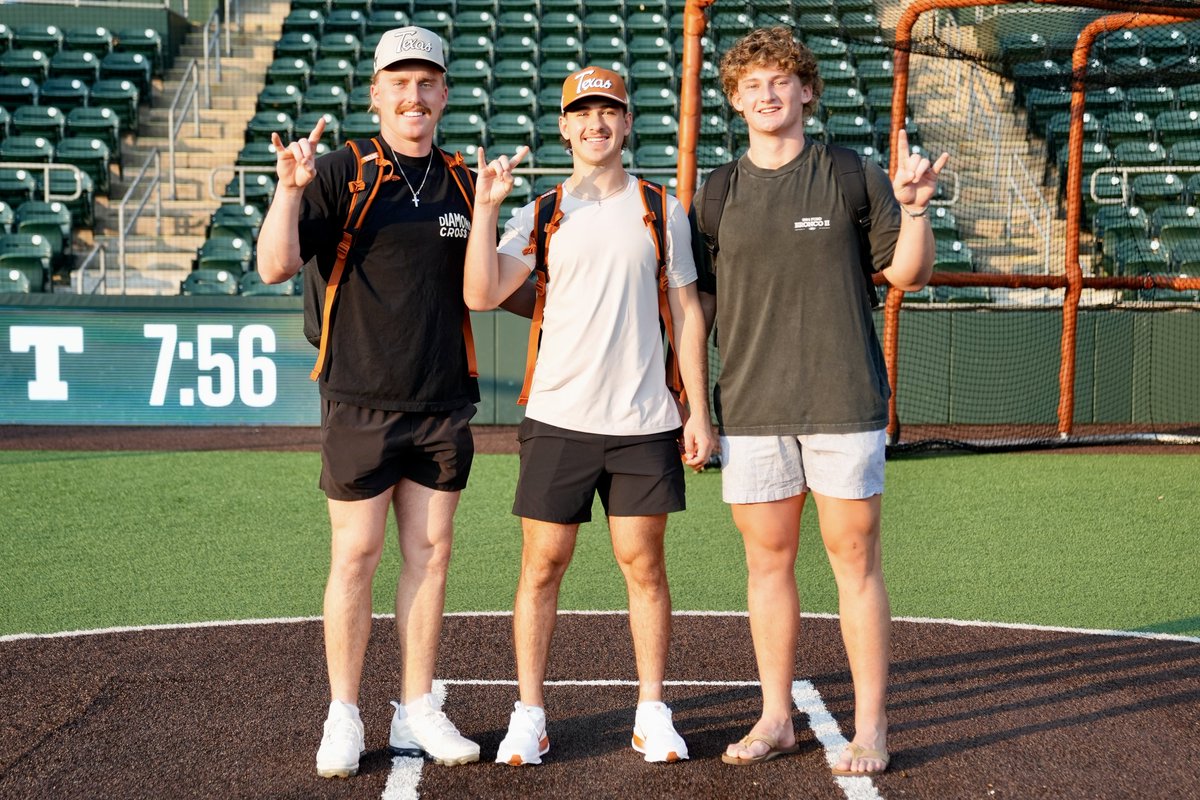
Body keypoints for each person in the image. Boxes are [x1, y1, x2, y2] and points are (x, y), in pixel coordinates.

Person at [256, 26, 527, 778]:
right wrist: (288, 191)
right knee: (356, 555)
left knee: (431, 556)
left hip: (442, 401)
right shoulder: (340, 171)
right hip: (359, 399)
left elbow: (493, 282)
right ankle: (343, 713)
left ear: (444, 92)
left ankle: (417, 705)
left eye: (427, 82)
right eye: (399, 83)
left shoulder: (465, 181)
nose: (414, 96)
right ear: (375, 93)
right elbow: (276, 264)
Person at [694, 27, 949, 775]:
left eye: (781, 80)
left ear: (807, 90)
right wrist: (696, 409)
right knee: (767, 564)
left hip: (843, 400)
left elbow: (909, 277)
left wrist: (918, 210)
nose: (767, 94)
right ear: (735, 101)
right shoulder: (716, 192)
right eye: (751, 85)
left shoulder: (852, 175)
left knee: (855, 561)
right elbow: (696, 310)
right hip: (751, 406)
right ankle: (777, 717)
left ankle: (869, 728)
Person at [462, 65, 714, 766]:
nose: (597, 124)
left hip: (644, 422)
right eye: (584, 113)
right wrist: (486, 210)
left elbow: (689, 313)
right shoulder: (540, 212)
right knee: (543, 565)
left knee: (645, 567)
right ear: (566, 127)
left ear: (628, 123)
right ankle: (531, 714)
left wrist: (698, 408)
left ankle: (652, 711)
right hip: (559, 418)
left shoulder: (662, 208)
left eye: (610, 111)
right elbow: (482, 294)